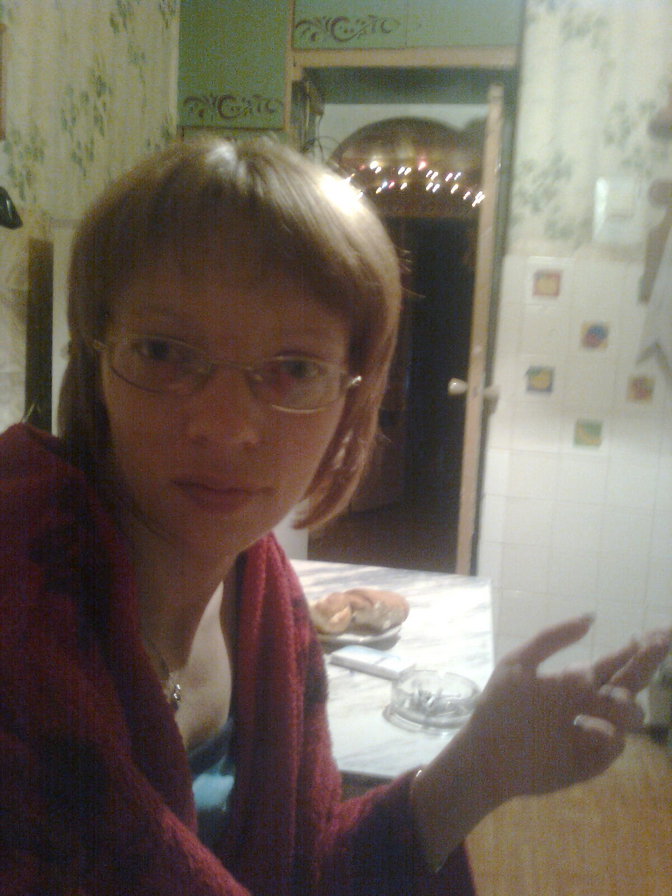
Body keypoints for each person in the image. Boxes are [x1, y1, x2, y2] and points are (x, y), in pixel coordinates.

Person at [0, 137, 668, 896]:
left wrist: (478, 768)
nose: (227, 426)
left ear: (351, 400)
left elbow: (307, 868)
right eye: (162, 351)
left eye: (294, 368)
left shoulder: (269, 604)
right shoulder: (19, 611)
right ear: (95, 359)